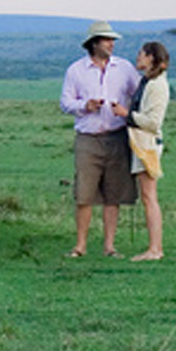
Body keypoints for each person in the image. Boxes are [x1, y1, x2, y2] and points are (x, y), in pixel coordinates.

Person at [59, 19, 141, 257]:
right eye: (107, 39)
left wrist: (126, 112)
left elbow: (138, 95)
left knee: (113, 195)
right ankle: (80, 246)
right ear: (94, 43)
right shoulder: (76, 70)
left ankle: (109, 247)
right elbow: (65, 103)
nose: (111, 43)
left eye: (112, 39)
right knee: (85, 194)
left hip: (117, 136)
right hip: (88, 138)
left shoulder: (124, 68)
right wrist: (86, 105)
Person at [124, 40, 170, 261]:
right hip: (143, 143)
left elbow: (153, 122)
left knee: (149, 197)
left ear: (151, 57)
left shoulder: (157, 85)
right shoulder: (147, 81)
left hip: (148, 144)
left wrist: (127, 115)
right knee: (147, 196)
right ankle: (154, 248)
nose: (138, 58)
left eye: (141, 54)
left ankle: (155, 249)